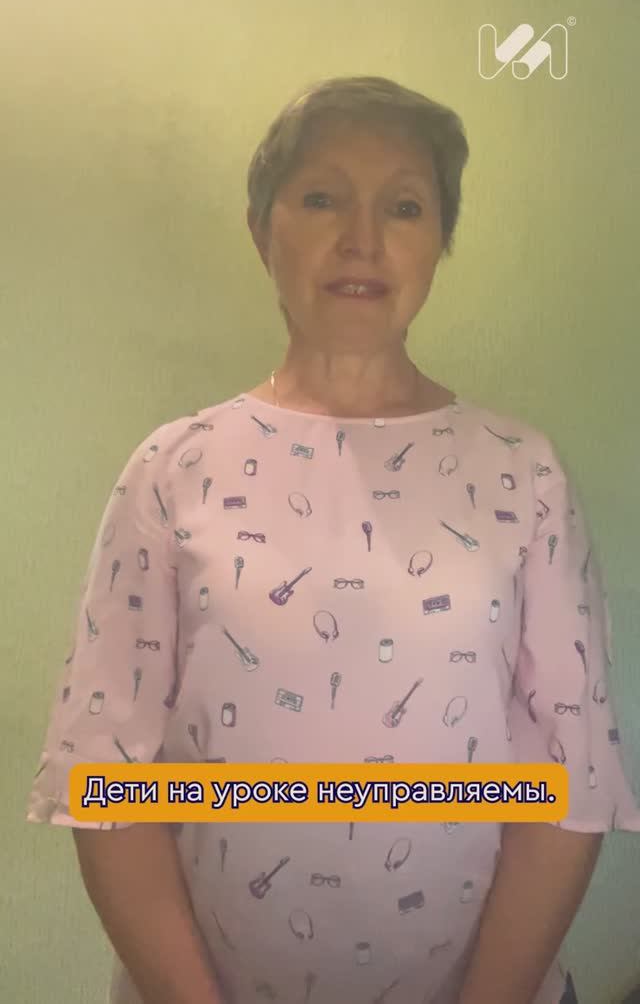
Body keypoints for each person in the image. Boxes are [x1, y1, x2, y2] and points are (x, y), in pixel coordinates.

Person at [26, 75, 640, 1004]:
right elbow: (105, 779)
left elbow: (571, 780)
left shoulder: (524, 472)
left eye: (405, 206)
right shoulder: (172, 470)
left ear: (440, 242)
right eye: (321, 198)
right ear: (260, 228)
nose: (362, 238)